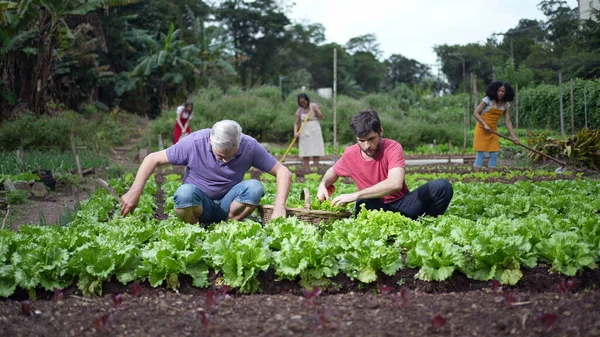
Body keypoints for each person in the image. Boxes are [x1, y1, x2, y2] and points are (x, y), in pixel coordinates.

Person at [121, 120, 292, 224]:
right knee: (184, 193)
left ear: (239, 143)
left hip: (228, 204)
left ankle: (227, 224)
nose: (225, 161)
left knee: (255, 187)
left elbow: (283, 172)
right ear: (211, 142)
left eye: (231, 156)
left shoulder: (250, 146)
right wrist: (134, 192)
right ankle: (195, 229)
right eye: (220, 156)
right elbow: (152, 158)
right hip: (199, 206)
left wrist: (279, 206)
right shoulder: (194, 142)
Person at [316, 109, 453, 220]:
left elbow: (395, 183)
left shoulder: (393, 148)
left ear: (380, 131)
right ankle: (391, 223)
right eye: (361, 140)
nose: (367, 146)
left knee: (442, 187)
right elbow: (332, 172)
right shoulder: (350, 153)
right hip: (372, 206)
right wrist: (323, 184)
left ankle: (427, 222)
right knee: (366, 201)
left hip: (401, 205)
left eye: (371, 139)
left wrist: (353, 195)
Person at [473, 81, 519, 173]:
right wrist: (485, 124)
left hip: (493, 130)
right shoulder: (487, 100)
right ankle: (476, 175)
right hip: (482, 129)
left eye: (503, 91)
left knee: (494, 153)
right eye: (499, 91)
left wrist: (513, 136)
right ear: (495, 91)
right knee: (481, 153)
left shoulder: (506, 105)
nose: (501, 93)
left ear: (506, 93)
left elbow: (507, 121)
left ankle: (491, 176)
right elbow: (476, 113)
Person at [294, 93, 325, 172]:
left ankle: (316, 168)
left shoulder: (313, 106)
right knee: (305, 149)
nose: (303, 104)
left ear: (307, 100)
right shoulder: (299, 110)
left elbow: (321, 117)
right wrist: (295, 132)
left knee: (316, 149)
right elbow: (296, 123)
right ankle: (306, 169)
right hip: (304, 130)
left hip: (315, 129)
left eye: (304, 102)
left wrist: (316, 110)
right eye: (301, 103)